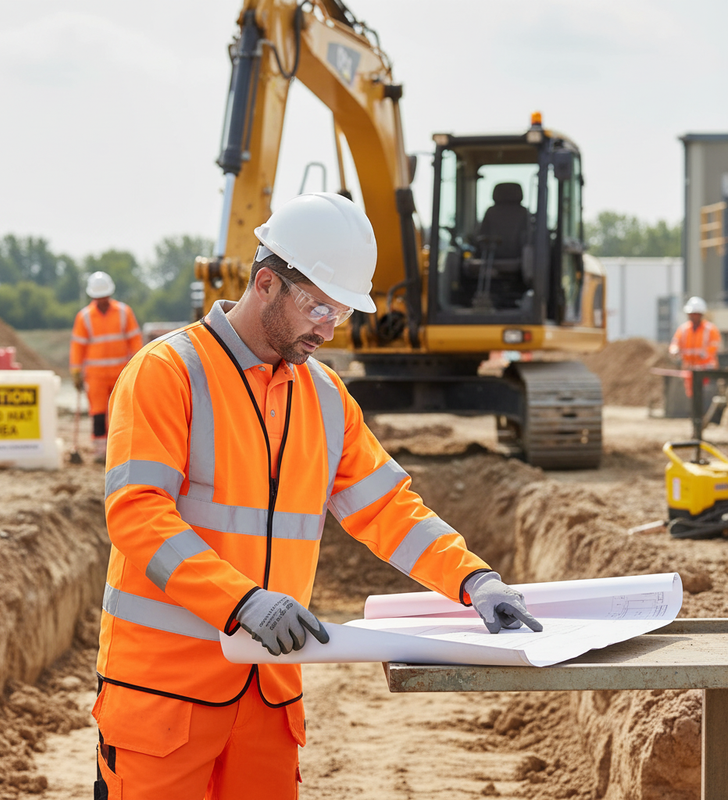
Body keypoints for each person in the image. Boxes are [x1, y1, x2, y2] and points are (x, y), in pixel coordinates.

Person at [91, 193, 542, 800]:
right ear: (267, 283)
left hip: (269, 694)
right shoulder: (168, 372)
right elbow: (138, 513)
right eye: (320, 307)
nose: (330, 329)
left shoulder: (326, 395)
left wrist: (475, 581)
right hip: (165, 693)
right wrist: (241, 601)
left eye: (341, 312)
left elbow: (386, 507)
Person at [69, 271, 142, 463]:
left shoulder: (124, 312)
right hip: (96, 375)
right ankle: (101, 452)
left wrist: (138, 364)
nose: (102, 300)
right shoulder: (84, 317)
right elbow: (77, 346)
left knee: (122, 411)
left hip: (121, 372)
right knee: (98, 413)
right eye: (98, 296)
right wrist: (76, 371)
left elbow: (135, 340)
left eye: (104, 295)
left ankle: (121, 450)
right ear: (93, 296)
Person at [669, 296, 722, 399]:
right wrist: (674, 350)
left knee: (706, 394)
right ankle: (694, 414)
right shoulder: (683, 329)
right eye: (691, 314)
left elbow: (715, 345)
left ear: (701, 314)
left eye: (696, 314)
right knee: (691, 395)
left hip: (706, 369)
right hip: (689, 368)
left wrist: (705, 353)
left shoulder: (710, 329)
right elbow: (675, 343)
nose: (693, 316)